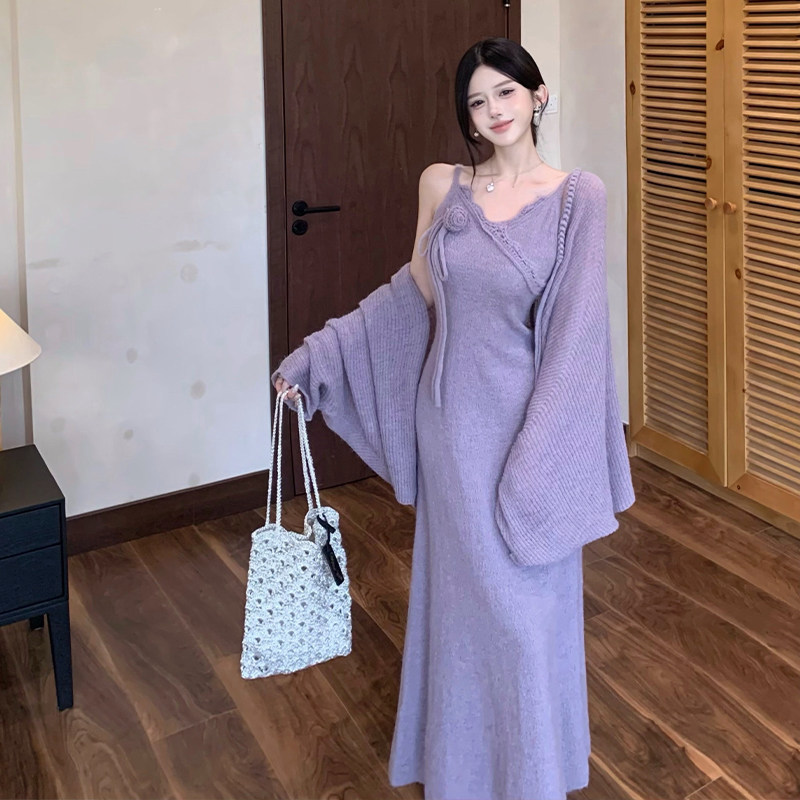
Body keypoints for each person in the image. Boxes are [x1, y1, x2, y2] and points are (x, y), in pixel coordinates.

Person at [273, 37, 634, 800]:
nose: (493, 110)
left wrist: (537, 456)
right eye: (477, 100)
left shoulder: (578, 197)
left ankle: (533, 776)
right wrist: (319, 356)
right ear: (466, 117)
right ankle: (460, 773)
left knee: (524, 613)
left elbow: (576, 337)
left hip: (527, 427)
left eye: (507, 91)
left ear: (538, 96)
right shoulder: (444, 185)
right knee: (464, 606)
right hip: (450, 427)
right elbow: (413, 295)